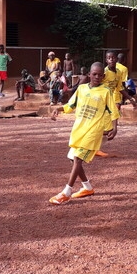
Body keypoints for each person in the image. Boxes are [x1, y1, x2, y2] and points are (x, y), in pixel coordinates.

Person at [49, 62, 119, 205]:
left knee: (77, 159)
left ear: (104, 76)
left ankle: (66, 192)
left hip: (94, 130)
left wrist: (115, 128)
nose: (97, 77)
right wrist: (59, 109)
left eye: (100, 75)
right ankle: (87, 187)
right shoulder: (81, 89)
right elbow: (71, 105)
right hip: (79, 129)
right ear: (89, 75)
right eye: (94, 74)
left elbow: (113, 111)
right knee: (73, 159)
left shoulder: (106, 92)